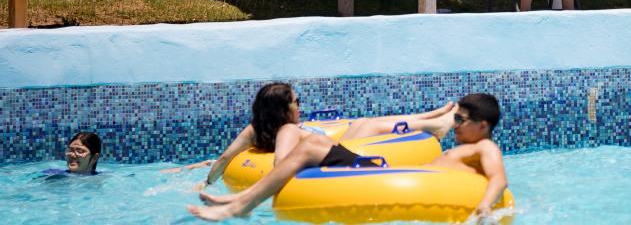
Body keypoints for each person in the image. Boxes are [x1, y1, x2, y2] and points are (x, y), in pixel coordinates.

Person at [187, 93, 508, 222]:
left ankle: (243, 203)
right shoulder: (466, 147)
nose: (454, 125)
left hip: (377, 175)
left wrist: (483, 207)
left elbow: (498, 178)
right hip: (383, 174)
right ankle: (242, 202)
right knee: (313, 143)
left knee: (311, 145)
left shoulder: (485, 148)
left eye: (459, 120)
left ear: (482, 126)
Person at [192, 82, 456, 193]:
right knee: (367, 124)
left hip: (330, 143)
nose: (300, 106)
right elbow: (233, 157)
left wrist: (208, 180)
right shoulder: (288, 131)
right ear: (284, 110)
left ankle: (432, 116)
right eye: (297, 102)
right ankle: (435, 124)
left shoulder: (256, 129)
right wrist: (208, 181)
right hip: (334, 150)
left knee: (367, 122)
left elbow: (227, 156)